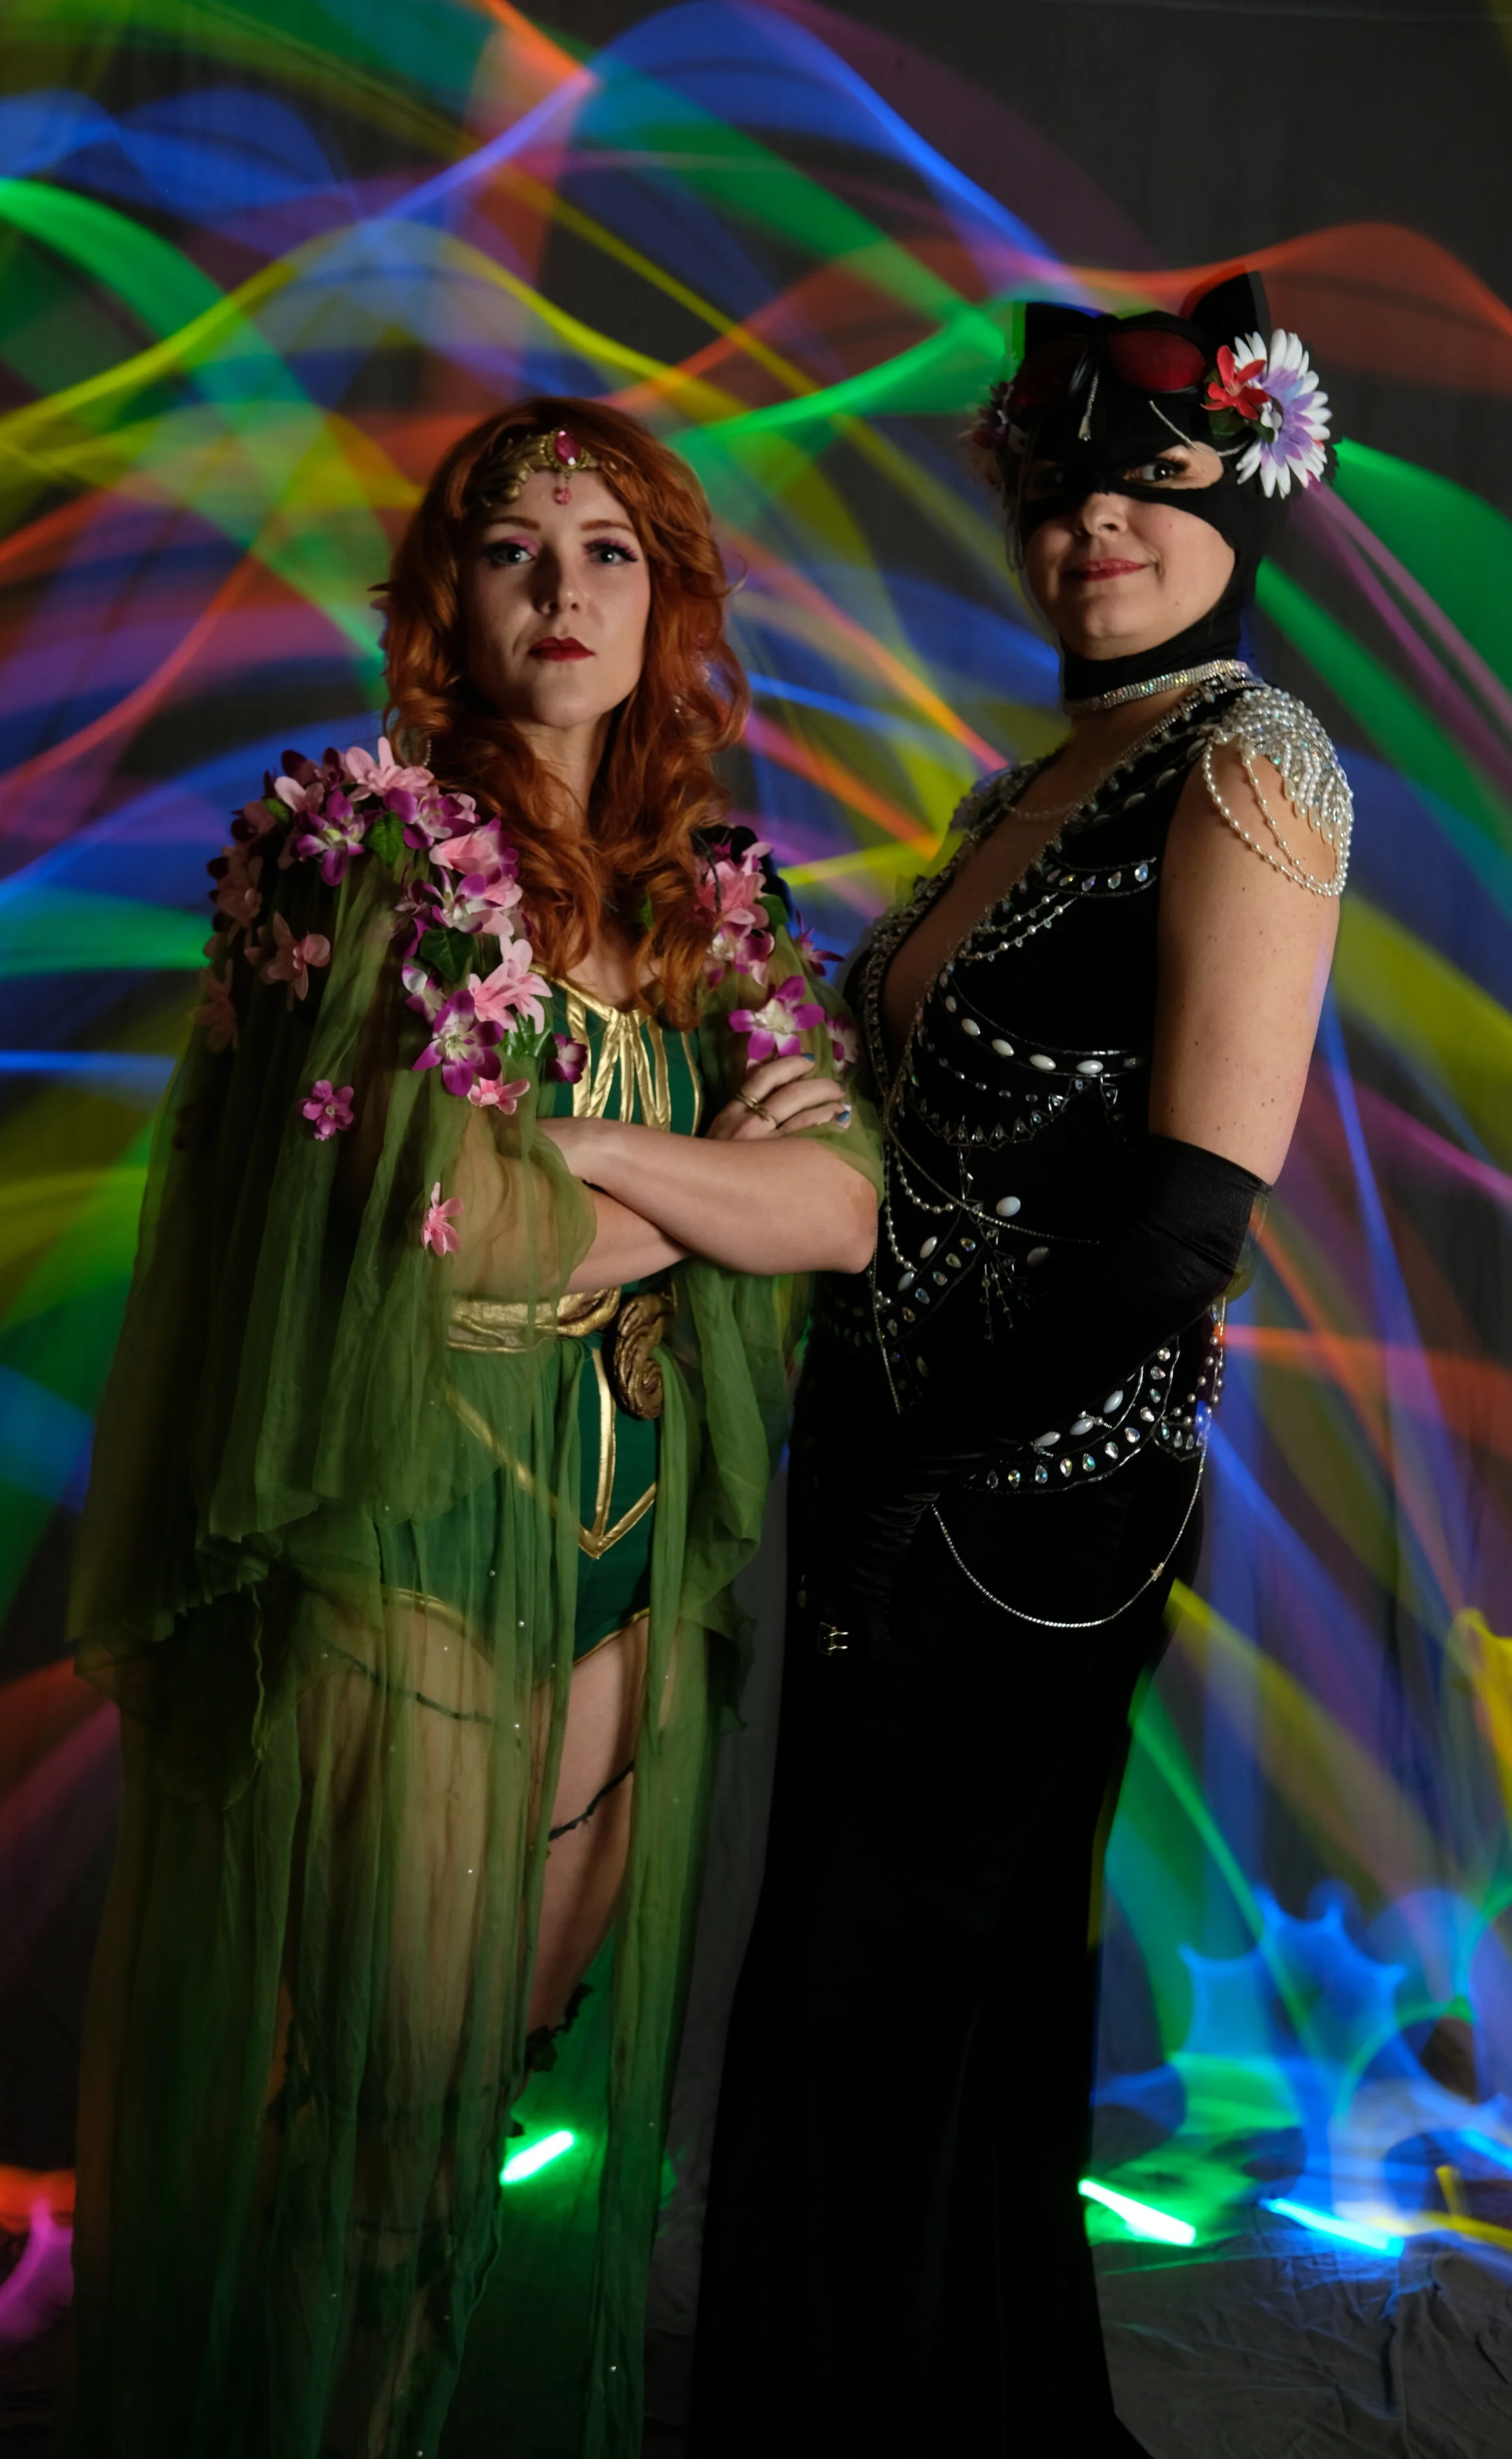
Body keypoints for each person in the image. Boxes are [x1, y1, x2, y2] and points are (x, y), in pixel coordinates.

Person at [64, 397, 879, 2459]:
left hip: (619, 1572)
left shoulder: (707, 904)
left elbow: (839, 1209)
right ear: (450, 596)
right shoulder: (369, 856)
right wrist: (690, 1190)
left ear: (667, 601)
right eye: (516, 549)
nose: (565, 591)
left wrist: (583, 1152)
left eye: (610, 553)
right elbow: (455, 1241)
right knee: (381, 2104)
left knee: (486, 2085)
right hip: (418, 1545)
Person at [692, 276, 1351, 2454]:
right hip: (887, 1453)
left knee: (902, 1989)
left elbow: (1179, 1230)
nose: (1090, 529)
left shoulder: (1251, 763)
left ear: (1243, 493)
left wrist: (924, 1469)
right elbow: (932, 1129)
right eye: (1055, 493)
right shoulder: (1041, 771)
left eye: (1143, 486)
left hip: (1035, 1492)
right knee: (867, 1991)